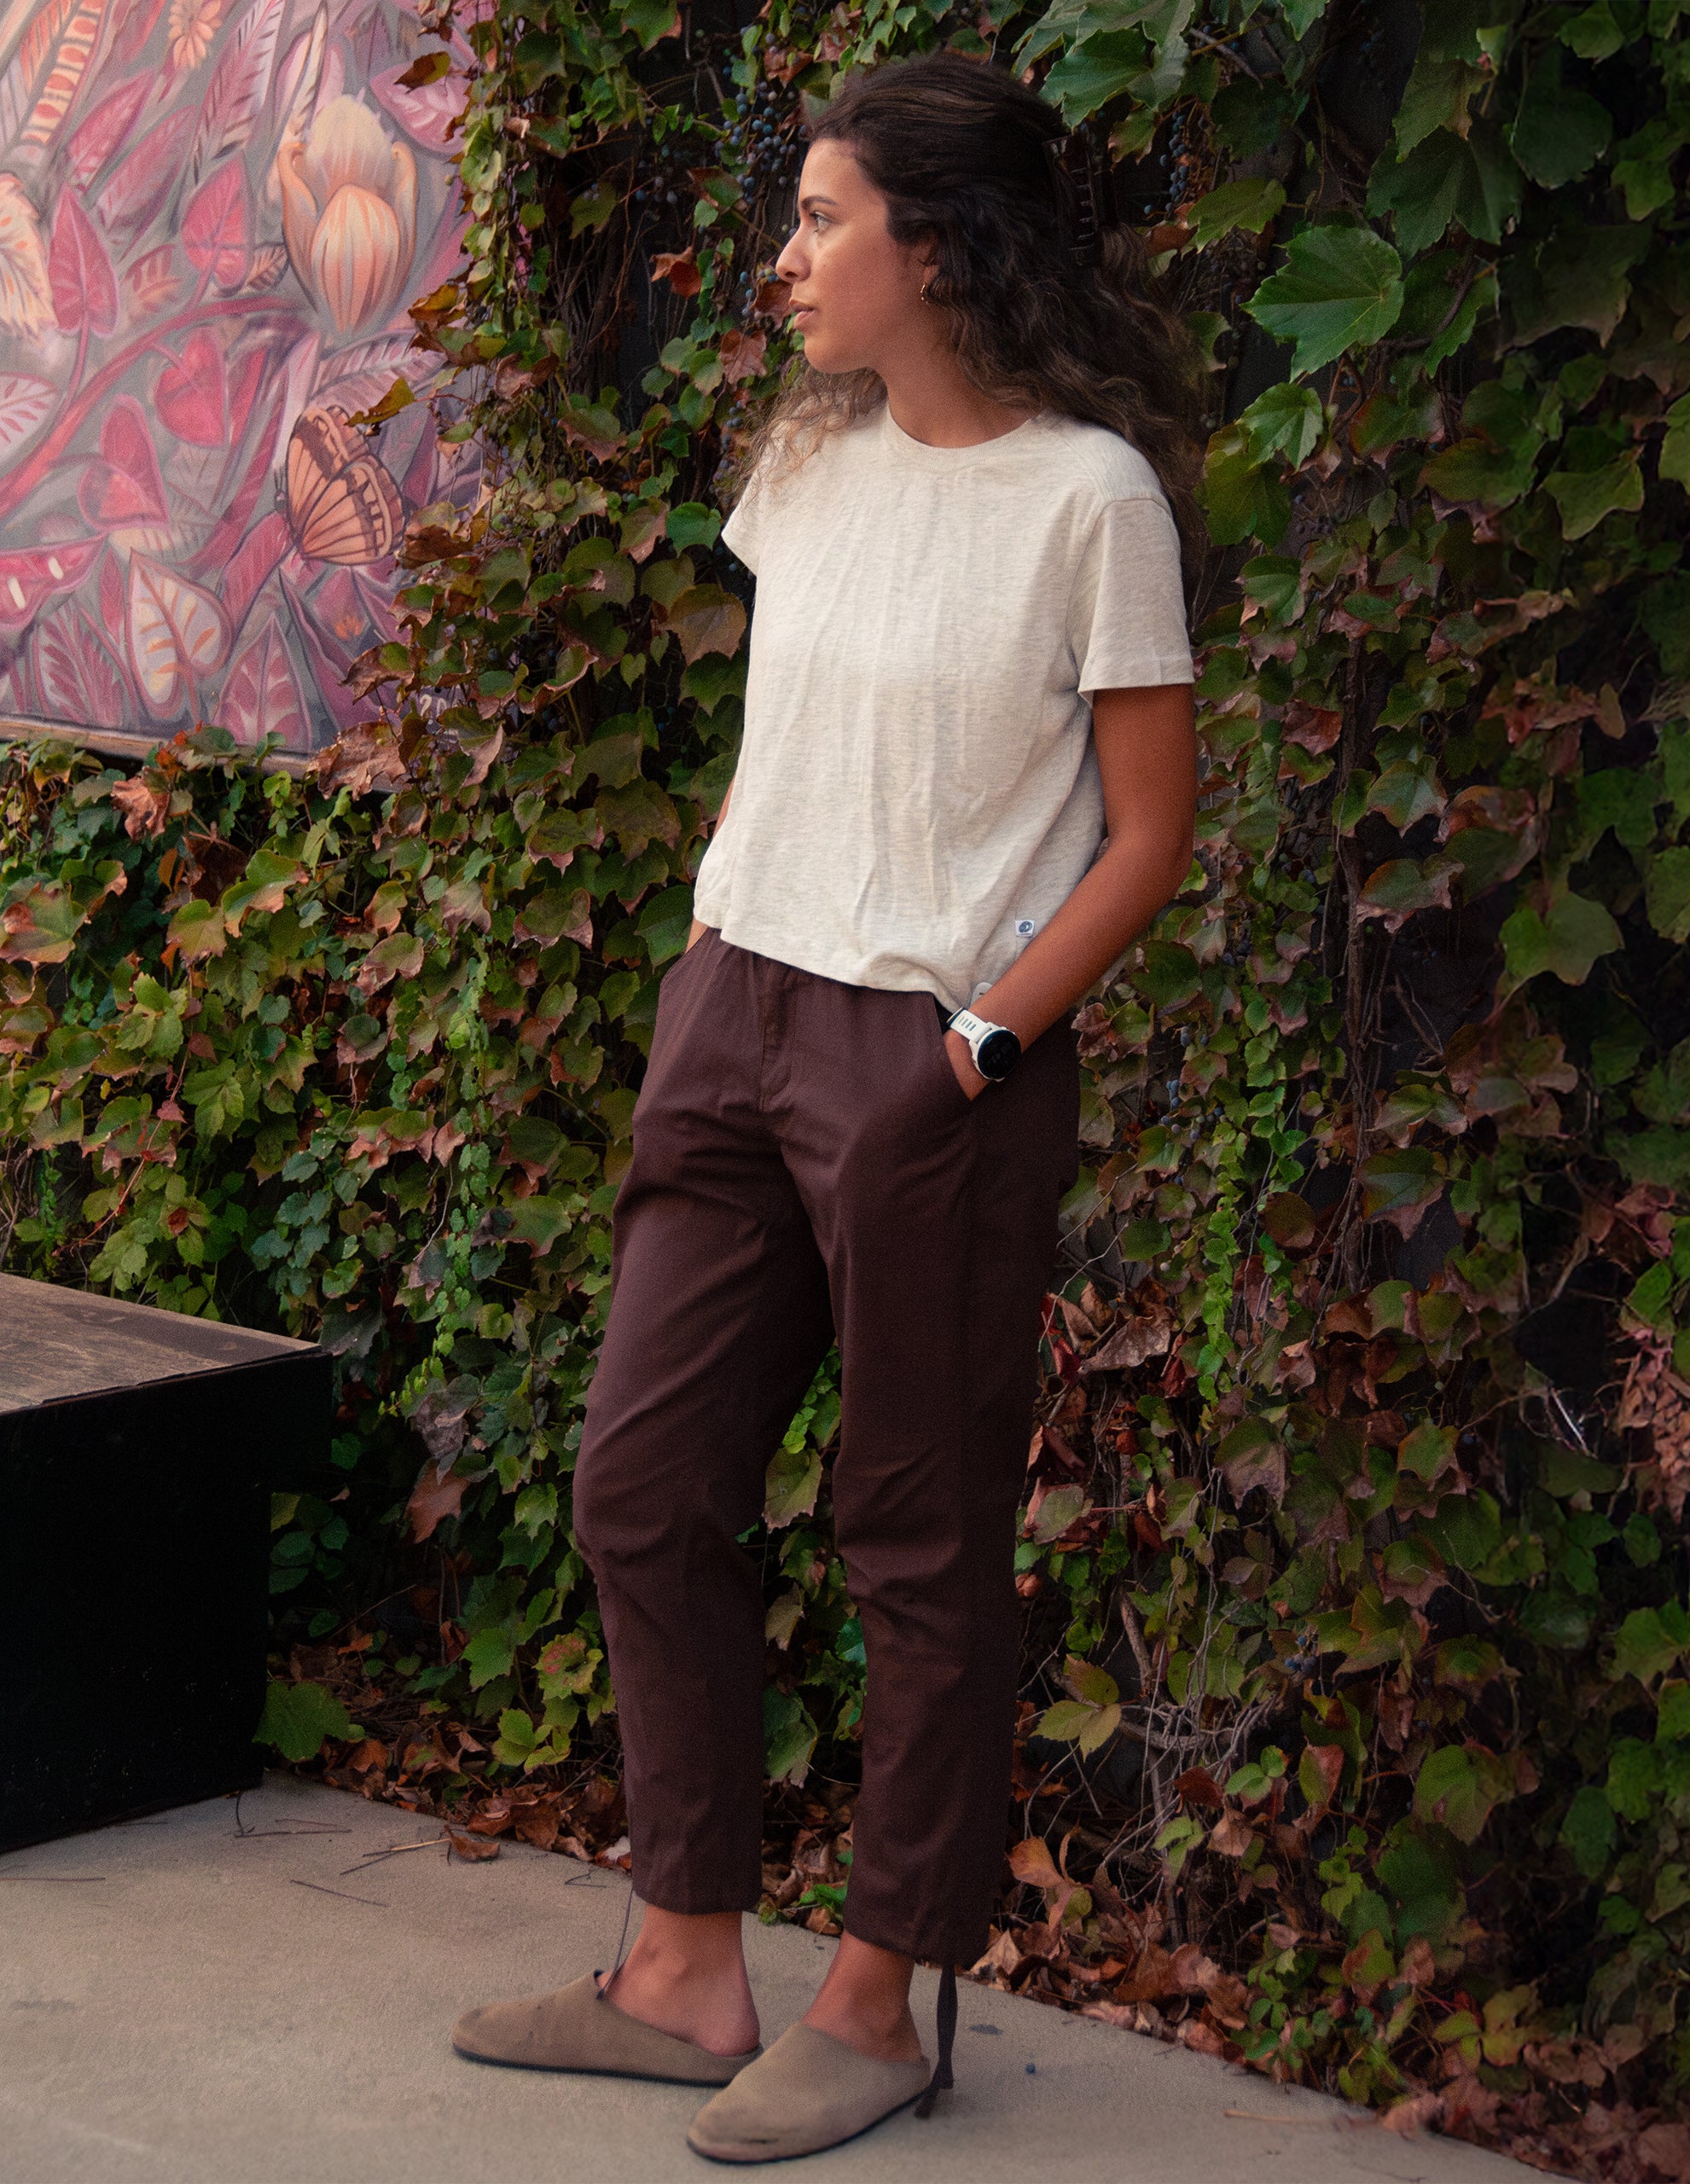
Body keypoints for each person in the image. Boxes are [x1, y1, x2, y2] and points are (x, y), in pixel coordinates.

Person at [451, 45, 1203, 2164]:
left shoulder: (1090, 501)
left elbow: (1144, 832)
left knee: (913, 1535)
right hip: (737, 1005)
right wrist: (722, 964)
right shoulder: (803, 460)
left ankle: (874, 2001)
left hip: (930, 1051)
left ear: (935, 246)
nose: (782, 255)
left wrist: (979, 1044)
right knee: (641, 1472)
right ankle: (686, 1964)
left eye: (817, 219)